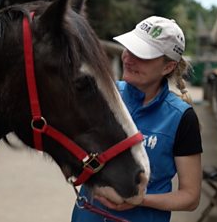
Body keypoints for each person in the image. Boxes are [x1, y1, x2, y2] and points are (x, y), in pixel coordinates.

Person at [71, 16, 203, 222]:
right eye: (129, 48)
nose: (128, 58)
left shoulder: (182, 117)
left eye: (142, 55)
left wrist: (138, 200)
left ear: (168, 67)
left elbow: (190, 197)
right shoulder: (102, 93)